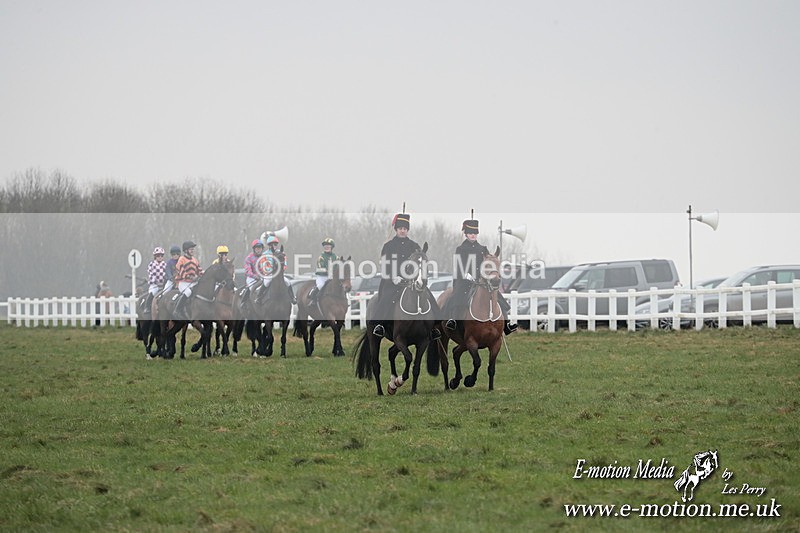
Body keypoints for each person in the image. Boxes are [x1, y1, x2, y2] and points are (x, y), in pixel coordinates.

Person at [445, 219, 517, 335]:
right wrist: (467, 275)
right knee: (458, 296)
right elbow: (458, 266)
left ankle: (507, 324)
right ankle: (453, 320)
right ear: (466, 234)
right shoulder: (461, 249)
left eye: (475, 233)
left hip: (481, 280)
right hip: (464, 280)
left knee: (497, 296)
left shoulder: (483, 249)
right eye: (470, 233)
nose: (473, 235)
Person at [369, 213, 420, 338]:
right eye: (400, 228)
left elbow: (419, 263)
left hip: (410, 282)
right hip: (392, 282)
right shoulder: (388, 246)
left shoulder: (414, 246)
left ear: (407, 230)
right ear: (396, 229)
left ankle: (435, 325)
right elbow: (385, 266)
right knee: (387, 298)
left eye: (405, 229)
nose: (402, 231)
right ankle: (379, 325)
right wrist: (393, 277)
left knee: (427, 296)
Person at [173, 241, 203, 320]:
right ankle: (177, 310)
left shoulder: (195, 260)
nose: (192, 250)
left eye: (193, 249)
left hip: (192, 283)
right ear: (186, 250)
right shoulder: (181, 259)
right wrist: (191, 277)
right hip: (182, 282)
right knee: (188, 292)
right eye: (191, 249)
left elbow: (199, 270)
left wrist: (204, 275)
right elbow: (182, 272)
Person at [263, 235, 296, 304]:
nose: (274, 246)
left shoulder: (281, 253)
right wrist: (270, 270)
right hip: (269, 274)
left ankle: (292, 298)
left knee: (288, 282)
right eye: (272, 244)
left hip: (279, 274)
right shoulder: (265, 254)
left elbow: (285, 264)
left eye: (275, 244)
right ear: (269, 245)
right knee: (266, 283)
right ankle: (259, 297)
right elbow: (264, 265)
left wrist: (282, 270)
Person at [309, 238, 338, 305]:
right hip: (322, 277)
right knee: (320, 285)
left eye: (328, 245)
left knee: (340, 286)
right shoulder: (321, 257)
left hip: (332, 277)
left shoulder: (336, 257)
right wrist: (330, 272)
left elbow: (337, 267)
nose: (326, 247)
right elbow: (321, 268)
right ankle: (313, 300)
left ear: (332, 247)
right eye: (325, 245)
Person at [141, 247, 166, 313]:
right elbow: (151, 275)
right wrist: (155, 282)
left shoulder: (164, 264)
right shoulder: (151, 264)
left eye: (161, 255)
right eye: (158, 255)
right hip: (154, 285)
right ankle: (147, 307)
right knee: (153, 292)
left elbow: (166, 275)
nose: (160, 257)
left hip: (163, 285)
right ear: (155, 256)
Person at [241, 238, 264, 303]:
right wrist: (254, 276)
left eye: (260, 248)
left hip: (262, 277)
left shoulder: (265, 257)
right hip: (252, 278)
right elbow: (248, 271)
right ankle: (244, 302)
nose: (258, 250)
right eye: (257, 248)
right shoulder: (249, 258)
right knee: (253, 289)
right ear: (254, 249)